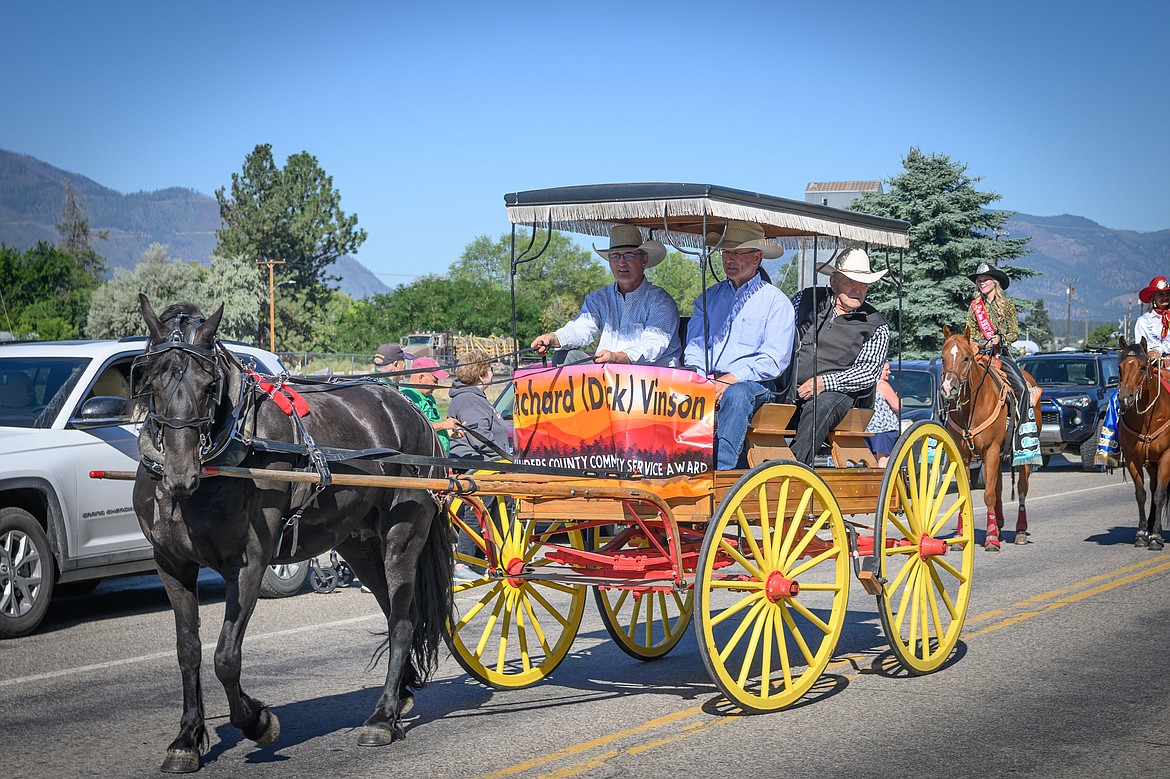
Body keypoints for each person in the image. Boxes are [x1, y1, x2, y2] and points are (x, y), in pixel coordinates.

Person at [683, 220, 794, 470]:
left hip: (757, 385)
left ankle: (720, 471)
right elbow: (695, 346)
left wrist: (732, 379)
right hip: (710, 379)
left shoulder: (776, 302)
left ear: (756, 258)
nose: (729, 259)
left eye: (736, 253)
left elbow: (774, 360)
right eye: (725, 252)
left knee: (737, 393)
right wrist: (702, 379)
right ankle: (673, 462)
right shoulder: (707, 298)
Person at [787, 248, 889, 465]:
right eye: (851, 282)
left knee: (818, 408)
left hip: (841, 395)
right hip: (789, 386)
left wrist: (824, 382)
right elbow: (780, 334)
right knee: (748, 395)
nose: (858, 289)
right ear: (834, 283)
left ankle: (793, 471)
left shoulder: (875, 324)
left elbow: (868, 373)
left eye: (863, 284)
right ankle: (729, 472)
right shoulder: (805, 299)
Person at [530, 224, 681, 366]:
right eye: (615, 256)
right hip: (606, 381)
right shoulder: (600, 299)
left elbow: (653, 344)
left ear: (644, 260)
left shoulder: (660, 302)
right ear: (609, 261)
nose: (621, 263)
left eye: (628, 256)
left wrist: (618, 357)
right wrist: (552, 338)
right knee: (562, 356)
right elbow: (581, 328)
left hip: (652, 384)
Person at [964, 262, 1042, 467]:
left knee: (1022, 389)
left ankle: (1023, 438)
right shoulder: (974, 307)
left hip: (1000, 355)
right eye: (979, 281)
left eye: (985, 280)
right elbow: (969, 330)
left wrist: (1000, 338)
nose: (981, 283)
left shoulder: (1007, 306)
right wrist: (976, 343)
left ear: (994, 283)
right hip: (979, 353)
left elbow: (1014, 332)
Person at [446, 350, 511, 581]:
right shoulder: (469, 399)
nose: (493, 373)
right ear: (483, 374)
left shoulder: (473, 397)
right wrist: (503, 456)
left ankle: (488, 557)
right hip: (479, 462)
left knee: (488, 510)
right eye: (491, 368)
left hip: (485, 462)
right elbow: (478, 434)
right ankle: (463, 560)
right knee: (476, 510)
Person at [1097, 275, 1170, 466]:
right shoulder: (1143, 321)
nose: (1164, 297)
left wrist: (1164, 353)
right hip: (1150, 368)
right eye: (1159, 294)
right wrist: (1150, 355)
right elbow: (1138, 349)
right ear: (1153, 298)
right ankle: (1110, 450)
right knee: (1117, 399)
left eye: (1166, 294)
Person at [400, 356, 462, 455]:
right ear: (421, 378)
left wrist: (450, 433)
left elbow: (432, 426)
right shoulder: (407, 397)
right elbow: (415, 428)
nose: (437, 385)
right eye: (434, 380)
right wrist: (443, 425)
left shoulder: (428, 397)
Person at [865, 363, 901, 467]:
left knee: (871, 461)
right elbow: (897, 406)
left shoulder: (866, 385)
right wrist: (900, 402)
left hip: (868, 428)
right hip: (885, 428)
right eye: (886, 370)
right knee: (884, 460)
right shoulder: (882, 385)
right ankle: (882, 482)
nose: (889, 372)